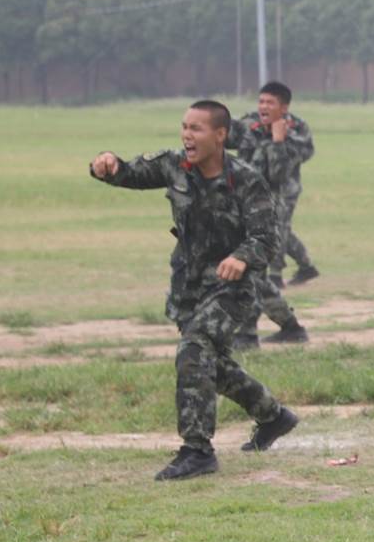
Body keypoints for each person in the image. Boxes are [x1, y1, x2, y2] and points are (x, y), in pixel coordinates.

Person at [89, 100, 300, 481]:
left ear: (220, 135)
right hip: (188, 285)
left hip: (232, 288)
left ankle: (197, 450)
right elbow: (131, 172)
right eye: (184, 127)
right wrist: (107, 164)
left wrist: (241, 256)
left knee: (193, 351)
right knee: (210, 366)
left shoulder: (245, 178)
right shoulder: (174, 165)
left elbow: (267, 237)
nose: (187, 135)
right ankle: (273, 415)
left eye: (197, 128)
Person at [232, 80, 316, 345]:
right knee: (251, 270)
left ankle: (248, 333)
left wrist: (277, 141)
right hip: (243, 202)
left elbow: (278, 175)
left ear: (284, 107)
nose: (263, 107)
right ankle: (289, 327)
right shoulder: (248, 124)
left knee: (253, 268)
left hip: (274, 202)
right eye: (261, 102)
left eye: (270, 103)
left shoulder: (297, 131)